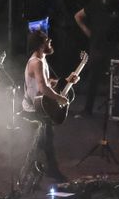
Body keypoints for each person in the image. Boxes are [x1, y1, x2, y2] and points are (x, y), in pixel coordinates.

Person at [21, 30, 77, 183]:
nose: (50, 41)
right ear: (40, 45)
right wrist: (60, 98)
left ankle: (45, 171)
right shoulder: (37, 62)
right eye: (47, 40)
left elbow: (47, 84)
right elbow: (43, 88)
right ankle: (41, 173)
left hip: (39, 107)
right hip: (34, 109)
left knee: (45, 141)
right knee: (43, 142)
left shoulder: (41, 60)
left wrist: (67, 80)